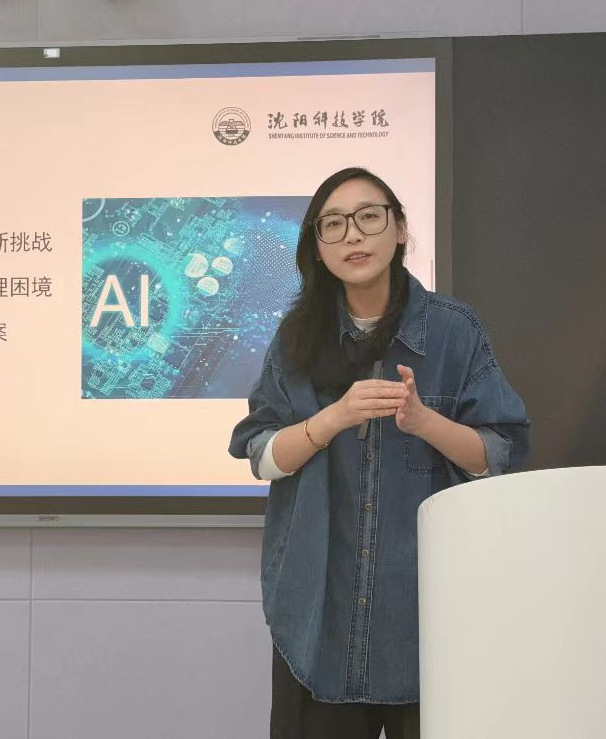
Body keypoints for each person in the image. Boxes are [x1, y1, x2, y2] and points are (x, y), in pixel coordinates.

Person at [228, 167, 531, 739]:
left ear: (399, 229)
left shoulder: (453, 330)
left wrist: (424, 421)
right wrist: (333, 418)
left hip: (430, 619)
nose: (352, 235)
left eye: (369, 217)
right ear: (317, 247)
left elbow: (500, 455)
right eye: (333, 224)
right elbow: (262, 456)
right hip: (319, 618)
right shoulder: (295, 337)